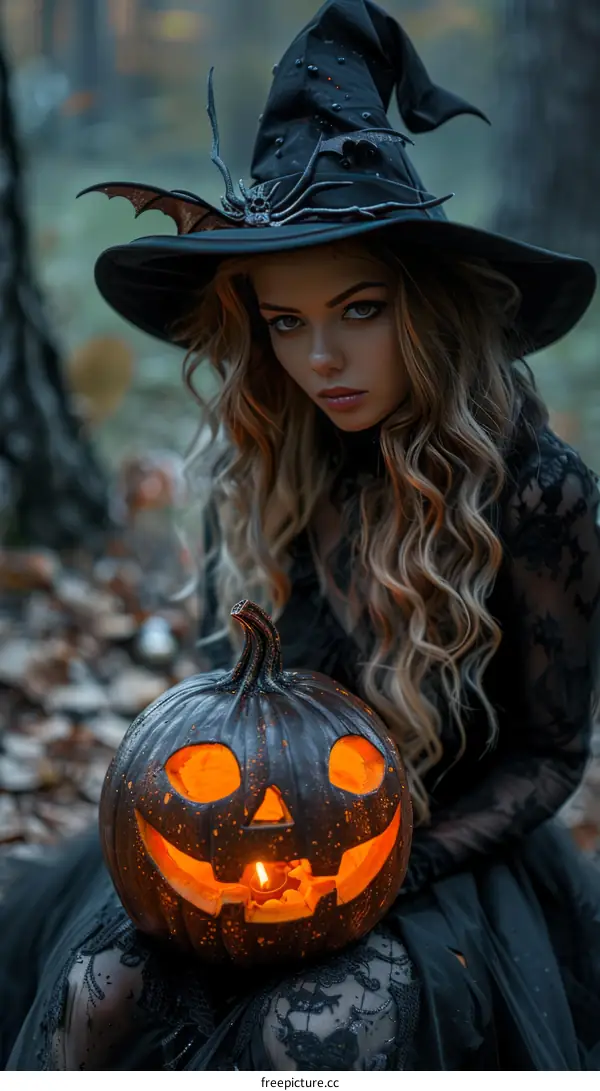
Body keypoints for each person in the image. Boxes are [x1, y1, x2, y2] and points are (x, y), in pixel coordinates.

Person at [1, 0, 600, 1071]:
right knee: (101, 990)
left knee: (311, 1030)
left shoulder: (539, 491)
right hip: (248, 834)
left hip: (438, 848)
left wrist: (392, 863)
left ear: (430, 304)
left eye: (359, 309)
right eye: (285, 321)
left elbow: (552, 752)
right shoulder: (260, 456)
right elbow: (219, 688)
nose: (321, 357)